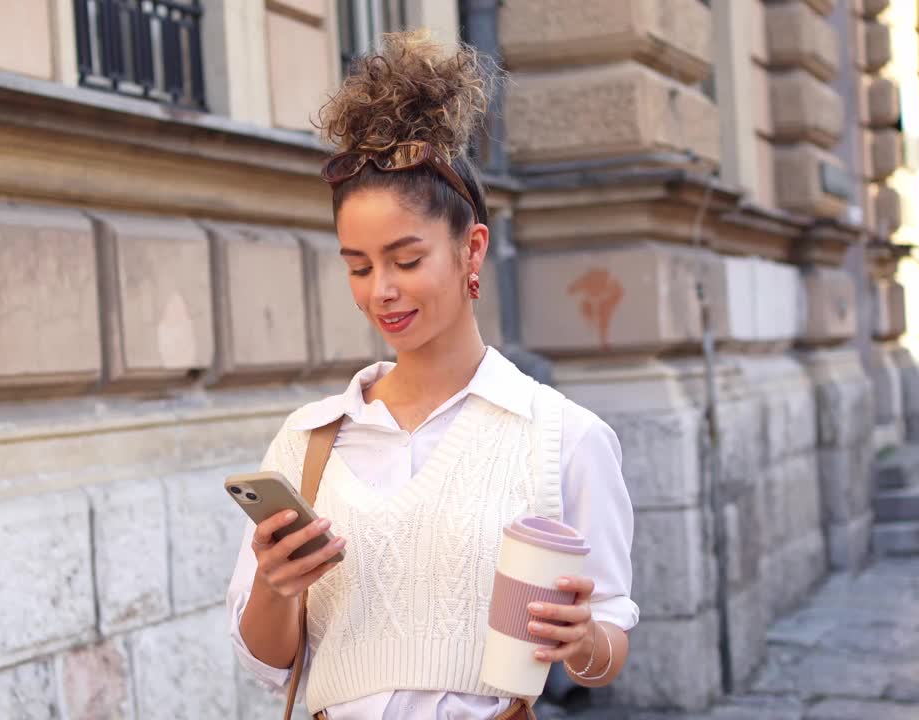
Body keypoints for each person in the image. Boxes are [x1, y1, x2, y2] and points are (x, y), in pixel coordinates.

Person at [225, 30, 638, 720]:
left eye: (406, 259)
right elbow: (270, 664)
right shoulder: (309, 442)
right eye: (358, 266)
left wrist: (585, 637)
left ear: (471, 249)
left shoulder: (563, 438)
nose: (380, 289)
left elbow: (607, 649)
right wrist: (277, 585)